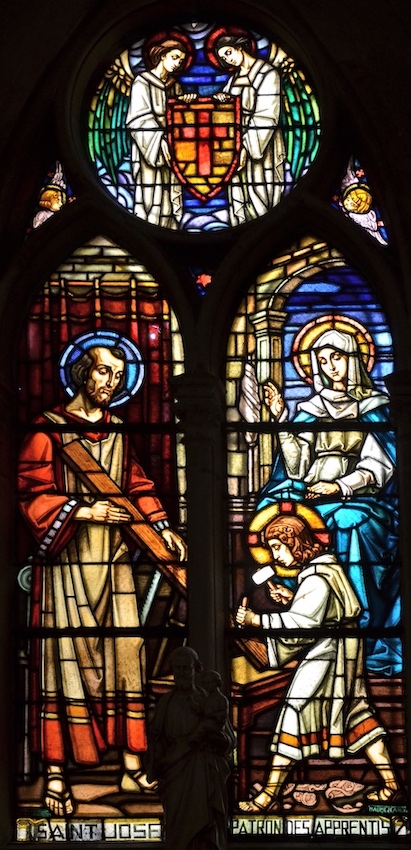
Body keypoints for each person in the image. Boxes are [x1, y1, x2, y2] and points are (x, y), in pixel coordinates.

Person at [18, 342, 187, 817]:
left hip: (112, 563)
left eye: (117, 376)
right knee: (65, 663)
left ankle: (131, 765)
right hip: (67, 564)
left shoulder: (116, 431)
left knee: (125, 657)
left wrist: (160, 526)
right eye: (103, 374)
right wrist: (84, 509)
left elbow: (135, 485)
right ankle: (57, 776)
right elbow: (30, 493)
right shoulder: (46, 432)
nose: (110, 384)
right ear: (80, 376)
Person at [236, 510, 403, 813]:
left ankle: (267, 796)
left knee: (294, 712)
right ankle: (392, 785)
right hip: (341, 654)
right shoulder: (326, 569)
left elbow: (302, 625)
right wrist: (291, 600)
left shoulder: (316, 578)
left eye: (277, 547)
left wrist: (255, 620)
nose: (274, 556)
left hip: (325, 657)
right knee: (357, 715)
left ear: (296, 543)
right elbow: (320, 611)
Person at [257, 327, 400, 675]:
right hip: (311, 492)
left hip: (358, 495)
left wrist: (339, 487)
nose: (329, 366)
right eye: (322, 360)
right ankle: (300, 612)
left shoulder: (373, 408)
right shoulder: (310, 409)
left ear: (353, 360)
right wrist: (279, 421)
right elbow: (296, 467)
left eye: (336, 357)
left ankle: (360, 624)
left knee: (352, 522)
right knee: (287, 518)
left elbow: (379, 465)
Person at [147, 647, 235, 850]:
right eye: (177, 669)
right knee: (178, 829)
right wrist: (158, 762)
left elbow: (228, 742)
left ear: (197, 669)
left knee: (205, 829)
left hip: (204, 773)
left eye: (186, 668)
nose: (182, 673)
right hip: (175, 773)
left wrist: (211, 738)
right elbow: (156, 739)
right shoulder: (166, 703)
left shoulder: (209, 700)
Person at [212, 33, 285, 226]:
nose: (228, 58)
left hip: (262, 143)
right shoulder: (234, 78)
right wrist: (223, 100)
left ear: (240, 47)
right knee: (239, 195)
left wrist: (246, 146)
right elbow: (229, 108)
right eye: (224, 57)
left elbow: (267, 114)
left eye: (229, 52)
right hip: (236, 143)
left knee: (261, 193)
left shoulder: (267, 73)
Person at [126, 36, 195, 228]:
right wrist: (159, 140)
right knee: (150, 195)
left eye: (181, 60)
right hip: (148, 148)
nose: (177, 63)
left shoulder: (175, 86)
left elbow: (179, 119)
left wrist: (184, 103)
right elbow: (138, 119)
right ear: (162, 56)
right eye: (174, 57)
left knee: (168, 198)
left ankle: (169, 226)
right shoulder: (142, 82)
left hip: (171, 151)